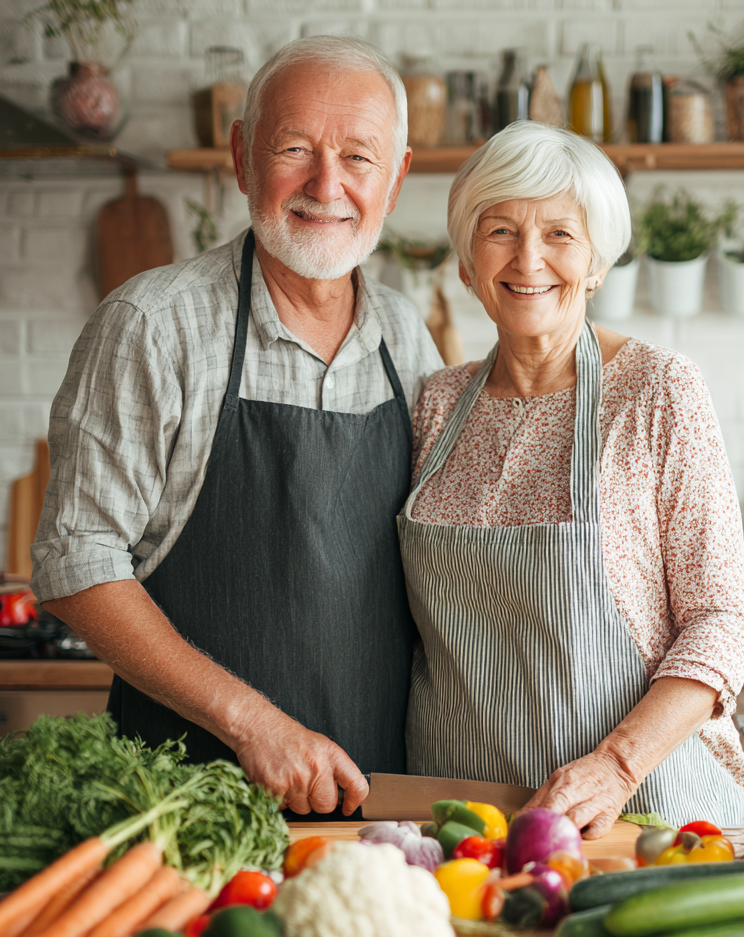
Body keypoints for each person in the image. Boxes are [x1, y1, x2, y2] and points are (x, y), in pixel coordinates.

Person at [31, 37, 443, 818]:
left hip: (378, 796)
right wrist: (254, 723)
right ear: (242, 157)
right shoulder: (153, 324)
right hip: (185, 804)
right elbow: (74, 561)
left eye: (359, 156)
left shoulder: (404, 331)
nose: (328, 185)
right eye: (295, 148)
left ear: (396, 179)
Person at [399, 121, 744, 837]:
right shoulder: (434, 403)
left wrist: (618, 766)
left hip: (646, 811)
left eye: (560, 234)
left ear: (596, 262)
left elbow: (719, 621)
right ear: (467, 263)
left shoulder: (657, 391)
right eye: (500, 230)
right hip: (469, 820)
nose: (529, 259)